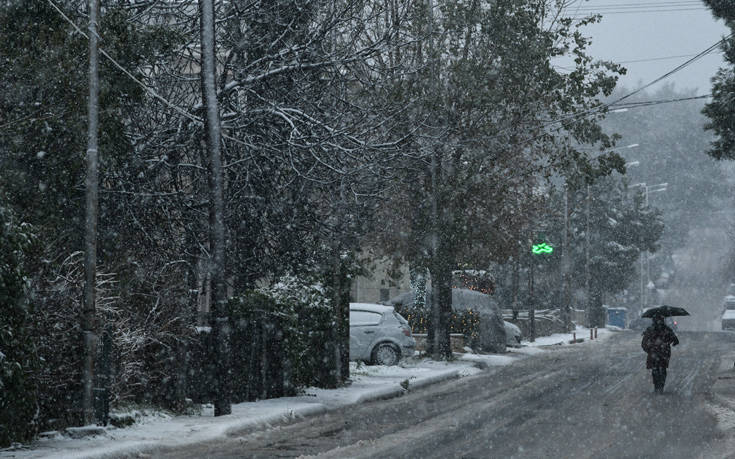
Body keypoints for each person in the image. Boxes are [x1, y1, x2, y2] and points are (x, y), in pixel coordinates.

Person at [641, 314, 679, 393]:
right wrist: (667, 343)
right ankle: (661, 386)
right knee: (662, 369)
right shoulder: (667, 329)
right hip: (664, 353)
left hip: (654, 353)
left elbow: (644, 343)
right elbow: (675, 340)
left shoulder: (650, 329)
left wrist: (649, 349)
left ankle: (657, 386)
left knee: (655, 369)